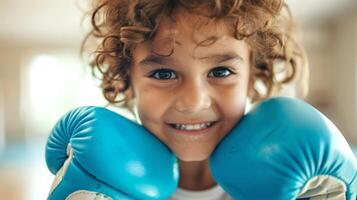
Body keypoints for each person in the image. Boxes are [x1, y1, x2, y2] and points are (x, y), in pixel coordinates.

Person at [44, 0, 357, 199]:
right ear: (128, 82)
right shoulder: (103, 183)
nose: (193, 102)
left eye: (220, 71)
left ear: (254, 76)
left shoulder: (301, 184)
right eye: (164, 74)